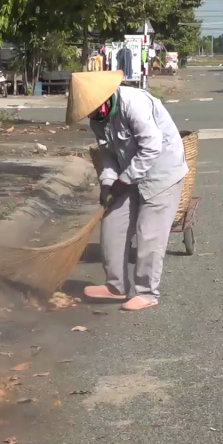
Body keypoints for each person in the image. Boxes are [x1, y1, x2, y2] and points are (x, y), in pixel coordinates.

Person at [68, 71, 188, 311]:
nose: (92, 114)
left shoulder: (134, 103)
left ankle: (147, 292)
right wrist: (107, 183)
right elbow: (109, 156)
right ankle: (115, 286)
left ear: (105, 98)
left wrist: (123, 182)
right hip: (127, 173)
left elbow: (151, 147)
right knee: (112, 223)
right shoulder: (97, 122)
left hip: (161, 174)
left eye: (94, 108)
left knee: (149, 234)